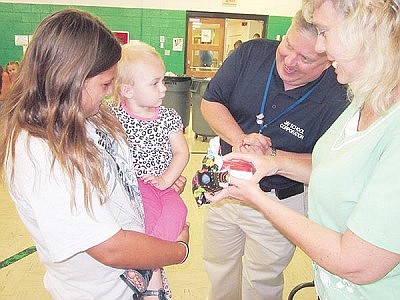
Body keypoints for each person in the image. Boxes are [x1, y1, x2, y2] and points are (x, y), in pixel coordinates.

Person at [206, 0, 400, 299]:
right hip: (334, 287)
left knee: (262, 278)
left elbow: (359, 263)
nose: (322, 45)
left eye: (324, 32)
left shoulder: (360, 105)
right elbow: (331, 167)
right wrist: (271, 161)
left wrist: (258, 198)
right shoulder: (365, 99)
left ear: (365, 30)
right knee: (221, 266)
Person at [0, 9, 189, 300]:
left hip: (132, 279)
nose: (109, 92)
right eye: (104, 84)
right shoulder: (37, 151)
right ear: (71, 79)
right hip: (101, 292)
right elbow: (109, 247)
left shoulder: (87, 114)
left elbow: (115, 177)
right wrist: (178, 250)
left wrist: (155, 188)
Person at [200, 9, 349, 300]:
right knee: (219, 268)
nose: (290, 62)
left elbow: (328, 163)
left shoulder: (338, 93)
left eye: (305, 59)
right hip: (225, 185)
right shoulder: (252, 54)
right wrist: (240, 140)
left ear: (329, 60)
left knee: (263, 280)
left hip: (280, 200)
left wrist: (271, 156)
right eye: (288, 47)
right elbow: (211, 102)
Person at [111, 41, 189, 297]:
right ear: (127, 90)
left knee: (179, 211)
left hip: (162, 185)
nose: (163, 89)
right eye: (155, 83)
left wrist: (167, 179)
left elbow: (182, 152)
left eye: (163, 81)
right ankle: (150, 269)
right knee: (149, 217)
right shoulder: (113, 117)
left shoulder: (168, 117)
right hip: (135, 187)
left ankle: (148, 265)